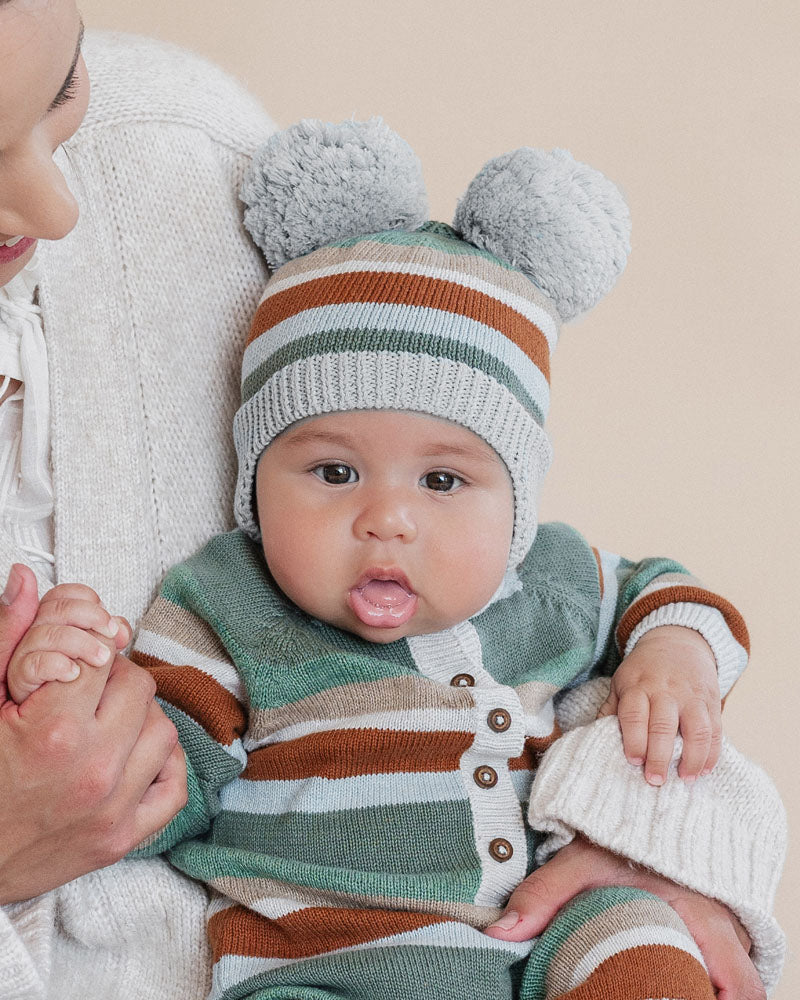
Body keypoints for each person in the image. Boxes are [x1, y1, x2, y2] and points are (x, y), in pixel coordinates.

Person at [0, 2, 783, 995]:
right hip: (328, 958)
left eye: (61, 87)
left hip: (550, 931)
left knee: (635, 948)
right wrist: (66, 701)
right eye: (331, 473)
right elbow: (150, 783)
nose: (388, 517)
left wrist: (670, 722)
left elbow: (667, 617)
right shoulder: (224, 604)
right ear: (257, 476)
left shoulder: (540, 574)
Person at [0, 0, 275, 995]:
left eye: (61, 87)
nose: (59, 209)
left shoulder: (190, 150)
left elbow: (477, 584)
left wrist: (637, 860)